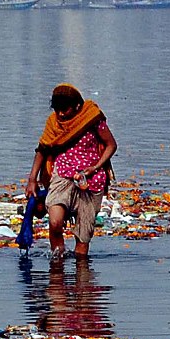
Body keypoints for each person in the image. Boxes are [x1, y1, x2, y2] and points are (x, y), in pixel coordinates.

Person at [29, 83, 116, 260]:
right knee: (55, 222)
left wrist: (96, 166)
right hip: (62, 176)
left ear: (77, 106)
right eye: (57, 109)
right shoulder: (53, 122)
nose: (61, 114)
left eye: (65, 110)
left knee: (83, 237)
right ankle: (57, 268)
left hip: (90, 181)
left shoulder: (92, 118)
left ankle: (81, 279)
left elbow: (111, 145)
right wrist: (32, 179)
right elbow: (42, 149)